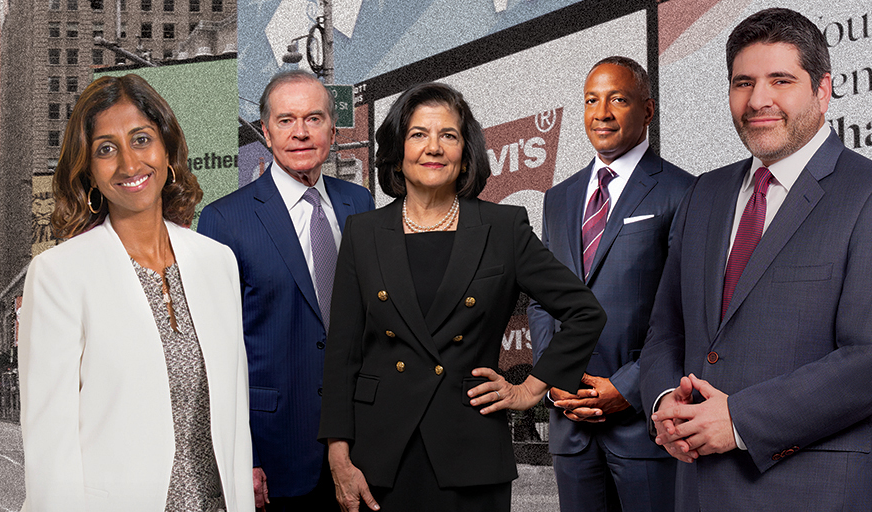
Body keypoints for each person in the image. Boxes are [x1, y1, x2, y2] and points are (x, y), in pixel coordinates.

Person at [639, 8, 872, 511]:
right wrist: (665, 404)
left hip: (816, 492)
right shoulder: (704, 194)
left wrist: (742, 419)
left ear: (823, 89)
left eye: (781, 80)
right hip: (699, 490)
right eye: (743, 82)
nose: (758, 100)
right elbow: (667, 329)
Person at [318, 82, 606, 512]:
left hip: (470, 451)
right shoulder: (363, 233)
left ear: (466, 151)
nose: (433, 148)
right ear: (397, 150)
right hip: (380, 455)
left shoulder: (504, 227)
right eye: (418, 134)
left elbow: (585, 312)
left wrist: (529, 391)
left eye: (448, 136)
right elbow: (342, 354)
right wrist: (338, 454)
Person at [18, 74, 254, 511]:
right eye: (106, 149)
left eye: (141, 139)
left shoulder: (217, 262)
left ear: (167, 150)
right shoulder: (58, 274)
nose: (129, 164)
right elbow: (50, 441)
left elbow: (234, 422)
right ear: (88, 170)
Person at [197, 70, 374, 511]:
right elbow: (214, 352)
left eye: (313, 119)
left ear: (333, 131)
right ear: (265, 132)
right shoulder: (225, 220)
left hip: (364, 443)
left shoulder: (361, 205)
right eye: (285, 120)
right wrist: (245, 458)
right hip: (274, 453)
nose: (300, 133)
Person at [528, 56, 693, 512]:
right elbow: (544, 301)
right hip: (571, 427)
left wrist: (630, 387)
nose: (601, 113)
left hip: (644, 426)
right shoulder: (558, 199)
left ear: (648, 109)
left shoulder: (683, 191)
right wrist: (554, 374)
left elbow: (686, 309)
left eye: (617, 99)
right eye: (591, 101)